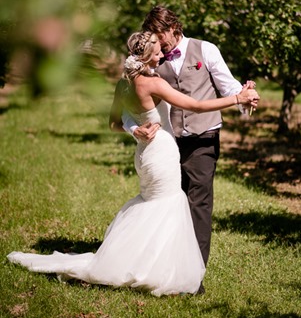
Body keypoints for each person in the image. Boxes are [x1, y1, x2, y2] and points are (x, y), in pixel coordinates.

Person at [7, 31, 259, 297]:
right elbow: (194, 105)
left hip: (143, 154)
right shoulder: (153, 83)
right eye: (158, 51)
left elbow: (114, 123)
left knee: (153, 205)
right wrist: (237, 99)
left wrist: (134, 129)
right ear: (148, 55)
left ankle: (140, 260)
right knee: (167, 206)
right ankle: (159, 270)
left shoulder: (124, 83)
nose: (163, 53)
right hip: (161, 151)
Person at [123, 6, 258, 294]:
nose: (160, 43)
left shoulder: (205, 49)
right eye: (154, 38)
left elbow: (227, 85)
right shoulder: (151, 59)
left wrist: (245, 99)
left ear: (173, 26)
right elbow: (126, 105)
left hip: (203, 139)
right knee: (171, 206)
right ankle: (164, 268)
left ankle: (193, 278)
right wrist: (134, 129)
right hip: (168, 145)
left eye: (161, 35)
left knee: (198, 206)